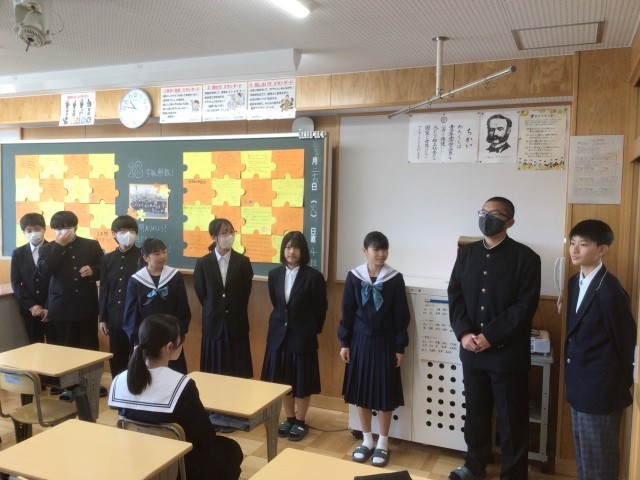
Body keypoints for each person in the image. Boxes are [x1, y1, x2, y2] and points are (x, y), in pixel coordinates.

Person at [448, 196, 541, 480]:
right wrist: (464, 333)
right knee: (475, 414)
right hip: (471, 351)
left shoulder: (526, 258)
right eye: (483, 212)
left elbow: (524, 307)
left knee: (511, 419)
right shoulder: (467, 254)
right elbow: (455, 295)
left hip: (507, 354)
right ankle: (474, 465)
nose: (486, 218)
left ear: (509, 222)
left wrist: (490, 336)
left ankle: (513, 475)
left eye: (495, 214)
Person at [109, 314, 243, 480]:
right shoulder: (181, 385)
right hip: (178, 467)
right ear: (169, 347)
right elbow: (205, 436)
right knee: (231, 449)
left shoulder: (120, 380)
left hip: (138, 462)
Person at [565, 220, 636, 480]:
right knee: (585, 458)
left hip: (601, 391)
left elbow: (626, 343)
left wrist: (615, 386)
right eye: (572, 243)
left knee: (600, 463)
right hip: (579, 384)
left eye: (583, 245)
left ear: (602, 249)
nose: (575, 250)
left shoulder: (611, 291)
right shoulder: (575, 281)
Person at [338, 231, 410, 468]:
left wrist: (399, 346)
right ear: (365, 250)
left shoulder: (394, 278)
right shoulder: (354, 276)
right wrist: (344, 342)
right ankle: (367, 439)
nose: (381, 254)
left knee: (384, 393)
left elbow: (401, 316)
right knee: (361, 392)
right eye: (376, 249)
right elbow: (347, 312)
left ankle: (383, 442)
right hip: (360, 342)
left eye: (384, 249)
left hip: (385, 342)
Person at [261, 231, 328, 441]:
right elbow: (277, 303)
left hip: (302, 335)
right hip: (279, 335)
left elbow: (321, 309)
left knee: (302, 380)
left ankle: (300, 420)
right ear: (283, 250)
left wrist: (311, 330)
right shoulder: (274, 274)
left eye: (296, 247)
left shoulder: (314, 277)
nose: (291, 251)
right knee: (283, 380)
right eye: (288, 247)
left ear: (303, 251)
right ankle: (289, 418)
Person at [194, 219, 254, 378]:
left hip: (237, 323)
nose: (229, 236)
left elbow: (245, 292)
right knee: (213, 373)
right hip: (213, 324)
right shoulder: (203, 263)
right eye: (224, 232)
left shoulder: (243, 262)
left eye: (231, 232)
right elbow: (202, 293)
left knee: (237, 372)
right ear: (214, 237)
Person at [37, 210, 104, 351]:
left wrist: (93, 270)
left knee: (88, 347)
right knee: (63, 348)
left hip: (86, 306)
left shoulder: (91, 245)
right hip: (60, 307)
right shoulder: (46, 249)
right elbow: (43, 271)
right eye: (58, 229)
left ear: (75, 227)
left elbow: (104, 270)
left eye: (67, 227)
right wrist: (58, 246)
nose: (62, 232)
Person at [123, 238, 191, 374]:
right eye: (157, 253)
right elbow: (131, 314)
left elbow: (183, 310)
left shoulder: (174, 277)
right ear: (146, 258)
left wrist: (178, 334)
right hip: (145, 338)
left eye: (164, 252)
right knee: (145, 376)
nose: (163, 256)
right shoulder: (136, 280)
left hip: (170, 337)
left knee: (173, 374)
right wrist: (137, 340)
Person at [99, 215, 141, 378]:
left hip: (137, 316)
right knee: (117, 357)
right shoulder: (108, 259)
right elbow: (104, 289)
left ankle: (136, 387)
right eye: (123, 230)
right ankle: (118, 387)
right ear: (114, 234)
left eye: (132, 230)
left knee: (138, 356)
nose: (128, 234)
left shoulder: (143, 256)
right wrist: (103, 318)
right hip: (115, 316)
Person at [11, 213, 52, 344]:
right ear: (24, 232)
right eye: (29, 230)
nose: (33, 233)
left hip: (53, 307)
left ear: (44, 229)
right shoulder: (18, 253)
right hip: (30, 310)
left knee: (56, 345)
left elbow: (59, 282)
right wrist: (31, 305)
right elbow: (16, 283)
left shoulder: (54, 250)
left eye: (37, 229)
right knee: (34, 345)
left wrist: (48, 306)